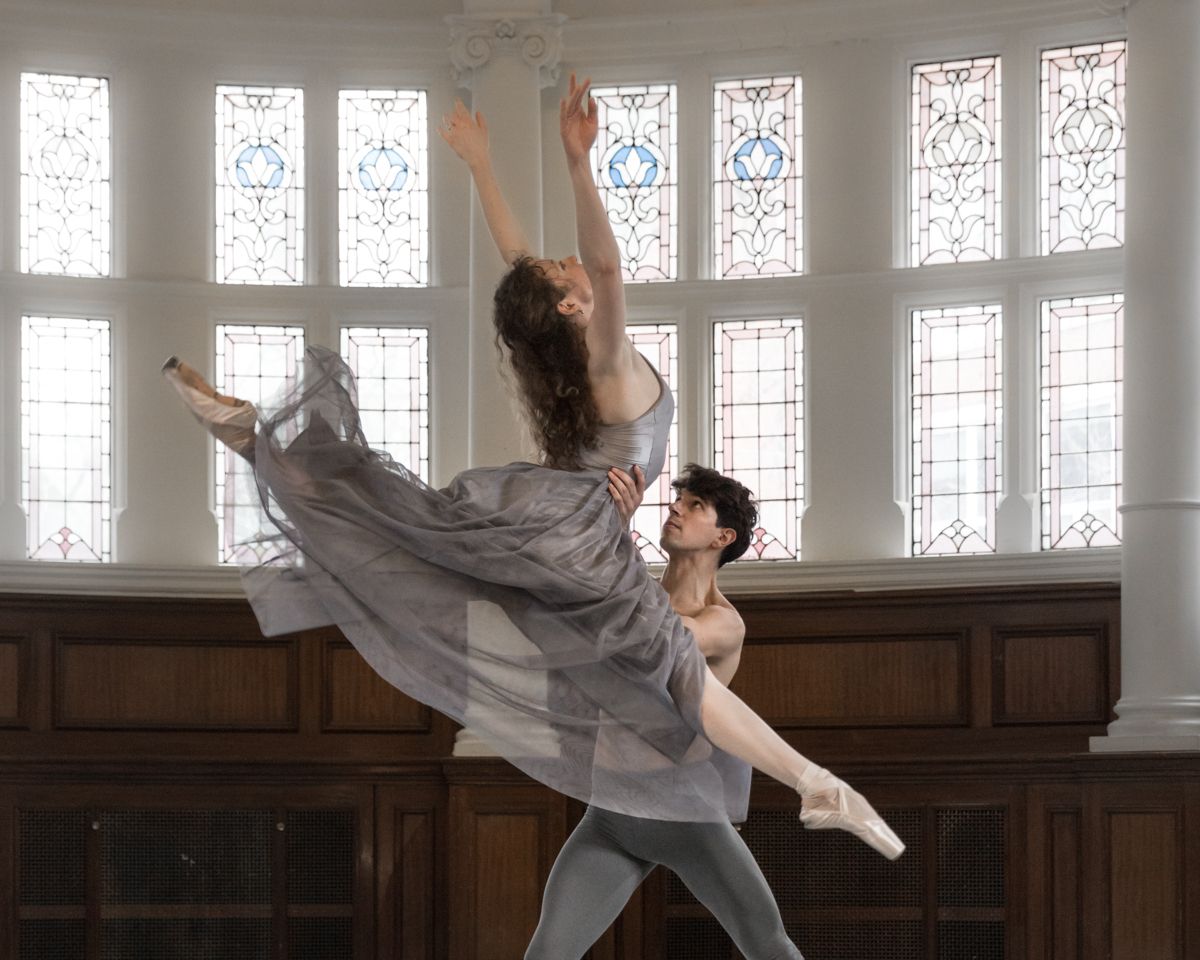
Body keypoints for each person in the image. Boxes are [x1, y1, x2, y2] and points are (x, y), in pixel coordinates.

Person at [161, 72, 902, 871]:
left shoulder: (569, 364)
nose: (566, 263)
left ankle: (257, 440)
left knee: (410, 521)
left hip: (544, 520)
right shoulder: (608, 362)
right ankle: (812, 782)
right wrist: (577, 162)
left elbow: (521, 264)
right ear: (573, 307)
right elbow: (604, 269)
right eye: (564, 273)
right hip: (579, 535)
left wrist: (483, 167)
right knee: (682, 676)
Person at [476, 464, 940, 960]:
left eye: (692, 507)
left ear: (722, 536)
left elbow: (650, 646)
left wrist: (613, 544)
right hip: (611, 817)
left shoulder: (722, 623)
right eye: (677, 500)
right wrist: (607, 539)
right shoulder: (631, 593)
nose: (677, 511)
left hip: (686, 819)